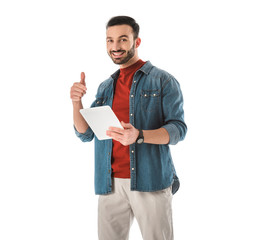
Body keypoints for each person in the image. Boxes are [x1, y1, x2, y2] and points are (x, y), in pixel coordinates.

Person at [70, 16, 187, 240]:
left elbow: (178, 129)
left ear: (137, 41)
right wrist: (77, 103)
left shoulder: (163, 81)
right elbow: (85, 133)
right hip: (110, 183)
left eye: (123, 40)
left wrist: (139, 136)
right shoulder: (106, 86)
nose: (115, 47)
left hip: (150, 181)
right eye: (110, 41)